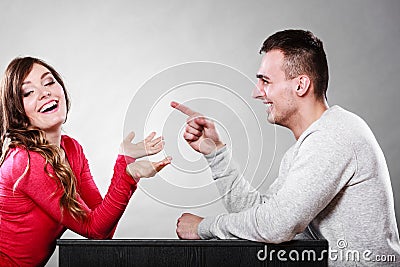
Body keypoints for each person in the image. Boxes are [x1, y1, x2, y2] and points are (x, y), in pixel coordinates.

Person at [172, 29, 400, 266]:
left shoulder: (333, 136)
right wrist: (215, 152)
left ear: (301, 85)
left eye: (265, 81)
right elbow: (261, 214)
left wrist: (204, 227)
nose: (256, 92)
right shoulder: (308, 146)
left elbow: (276, 225)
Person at [0, 57, 172, 267]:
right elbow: (96, 229)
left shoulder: (71, 149)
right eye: (28, 92)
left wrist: (125, 163)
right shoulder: (25, 162)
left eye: (49, 82)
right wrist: (127, 176)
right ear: (18, 112)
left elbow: (103, 230)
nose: (45, 92)